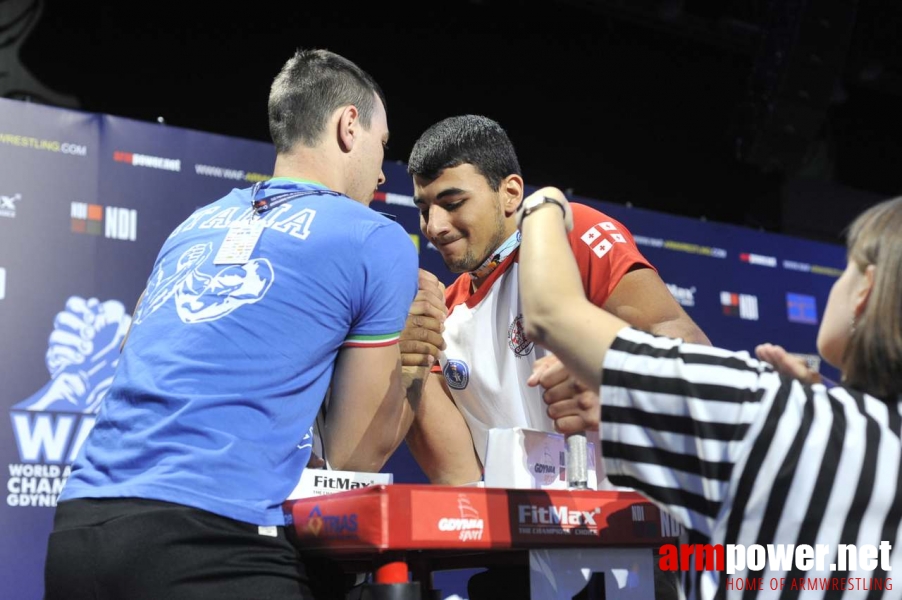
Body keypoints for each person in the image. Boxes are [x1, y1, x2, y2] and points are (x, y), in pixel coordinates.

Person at [44, 48, 420, 600]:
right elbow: (353, 456)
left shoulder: (194, 226)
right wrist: (414, 360)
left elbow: (140, 354)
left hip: (80, 533)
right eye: (383, 144)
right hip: (210, 546)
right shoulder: (374, 235)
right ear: (348, 126)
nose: (383, 170)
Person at [520, 187, 902, 599]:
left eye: (846, 268)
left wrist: (546, 205)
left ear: (866, 290)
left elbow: (551, 313)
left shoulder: (764, 406)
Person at [402, 114, 710, 487]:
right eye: (424, 210)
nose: (434, 226)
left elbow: (689, 347)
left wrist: (618, 381)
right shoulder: (441, 314)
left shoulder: (568, 231)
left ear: (511, 193)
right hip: (516, 535)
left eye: (452, 203)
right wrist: (408, 359)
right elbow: (458, 477)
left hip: (625, 524)